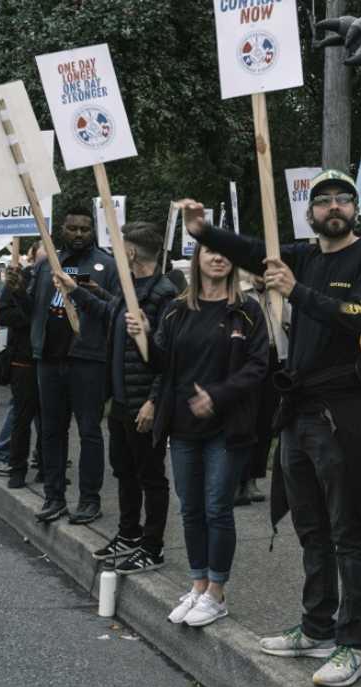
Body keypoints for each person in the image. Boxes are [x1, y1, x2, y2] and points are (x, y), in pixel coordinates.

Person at [181, 168, 361, 687]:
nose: (334, 207)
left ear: (356, 209)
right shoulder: (301, 255)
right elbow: (254, 251)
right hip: (297, 413)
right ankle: (317, 627)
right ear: (311, 211)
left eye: (344, 198)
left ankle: (354, 643)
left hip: (342, 409)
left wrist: (297, 292)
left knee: (348, 532)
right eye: (324, 201)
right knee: (311, 528)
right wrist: (205, 232)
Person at [114, 242, 267, 624]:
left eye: (225, 252)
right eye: (210, 251)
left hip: (226, 427)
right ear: (197, 258)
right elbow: (162, 365)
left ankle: (217, 591)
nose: (218, 257)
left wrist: (219, 395)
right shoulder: (177, 310)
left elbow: (259, 366)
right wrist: (144, 337)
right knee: (191, 508)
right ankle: (197, 585)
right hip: (182, 425)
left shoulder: (246, 310)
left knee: (217, 507)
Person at [79, 222, 179, 573]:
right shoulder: (128, 287)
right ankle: (129, 534)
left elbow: (167, 355)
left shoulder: (163, 294)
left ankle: (152, 547)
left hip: (144, 401)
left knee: (150, 475)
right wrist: (75, 292)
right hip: (121, 400)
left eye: (121, 247)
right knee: (124, 470)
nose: (116, 252)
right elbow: (110, 313)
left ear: (132, 252)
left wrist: (154, 401)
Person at [11, 205, 118, 524]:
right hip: (49, 360)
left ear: (93, 231)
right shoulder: (46, 266)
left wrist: (88, 296)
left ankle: (89, 499)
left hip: (88, 361)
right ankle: (54, 496)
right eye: (73, 229)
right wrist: (16, 289)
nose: (79, 234)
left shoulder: (106, 265)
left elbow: (115, 312)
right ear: (62, 229)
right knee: (51, 432)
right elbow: (33, 308)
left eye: (85, 229)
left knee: (89, 431)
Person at [235, 273, 285, 506]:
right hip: (249, 360)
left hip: (276, 358)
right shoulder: (241, 294)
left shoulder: (280, 293)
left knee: (265, 422)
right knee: (246, 420)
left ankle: (253, 479)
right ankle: (239, 480)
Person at [0, 248, 43, 489]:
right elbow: (2, 315)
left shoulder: (66, 275)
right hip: (23, 361)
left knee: (51, 420)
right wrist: (32, 317)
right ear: (33, 256)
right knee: (22, 418)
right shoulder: (19, 278)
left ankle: (46, 467)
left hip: (52, 360)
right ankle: (17, 469)